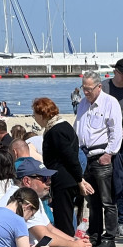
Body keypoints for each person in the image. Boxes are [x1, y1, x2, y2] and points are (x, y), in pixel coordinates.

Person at [75, 71, 123, 247]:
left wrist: (109, 153)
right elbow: (78, 127)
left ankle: (110, 237)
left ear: (98, 87)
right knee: (92, 200)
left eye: (88, 89)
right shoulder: (82, 104)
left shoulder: (110, 103)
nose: (86, 92)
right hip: (85, 156)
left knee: (107, 200)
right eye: (84, 89)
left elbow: (115, 130)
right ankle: (94, 234)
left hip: (102, 155)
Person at [33, 96, 92, 236]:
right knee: (66, 218)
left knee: (63, 223)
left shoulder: (56, 130)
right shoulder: (63, 125)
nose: (34, 118)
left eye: (35, 115)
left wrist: (80, 179)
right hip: (67, 178)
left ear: (42, 115)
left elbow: (70, 157)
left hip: (64, 180)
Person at [104, 58, 123, 240]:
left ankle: (121, 223)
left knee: (122, 184)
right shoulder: (104, 88)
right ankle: (109, 224)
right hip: (106, 142)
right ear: (115, 72)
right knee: (106, 183)